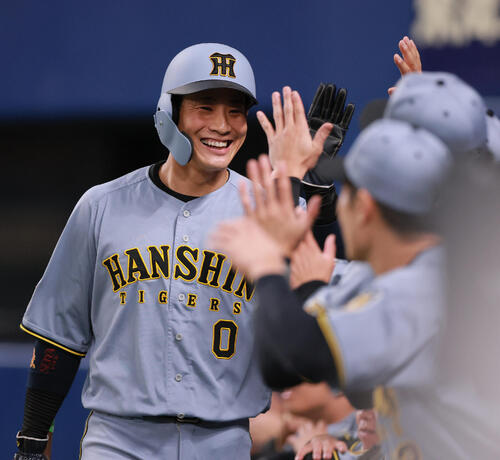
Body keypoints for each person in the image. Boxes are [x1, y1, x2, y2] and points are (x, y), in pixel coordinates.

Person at [13, 43, 335, 460]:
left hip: (225, 442)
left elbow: (321, 302)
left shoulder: (268, 209)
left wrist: (316, 189)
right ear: (170, 112)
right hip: (118, 442)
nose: (222, 125)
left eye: (235, 111)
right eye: (205, 107)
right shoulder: (102, 206)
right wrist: (33, 437)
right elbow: (58, 338)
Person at [210, 116, 462, 457]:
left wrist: (267, 267)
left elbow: (287, 361)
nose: (339, 208)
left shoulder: (419, 291)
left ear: (365, 208)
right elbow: (358, 385)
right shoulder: (435, 274)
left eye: (345, 196)